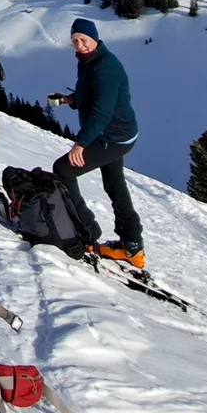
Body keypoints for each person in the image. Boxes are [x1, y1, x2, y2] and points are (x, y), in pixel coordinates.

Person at [46, 18, 144, 267]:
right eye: (75, 40)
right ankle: (132, 246)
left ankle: (87, 232)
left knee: (64, 169)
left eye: (84, 40)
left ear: (95, 39)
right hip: (116, 135)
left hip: (114, 136)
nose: (80, 45)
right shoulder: (90, 62)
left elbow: (102, 112)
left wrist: (80, 144)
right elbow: (90, 93)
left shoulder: (106, 68)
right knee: (114, 184)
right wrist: (69, 100)